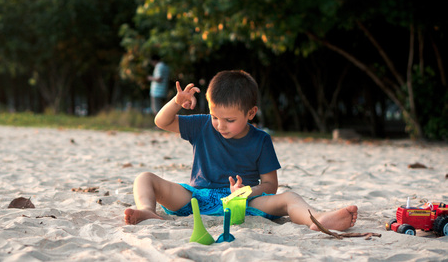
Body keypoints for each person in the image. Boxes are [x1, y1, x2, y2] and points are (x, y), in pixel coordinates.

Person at [124, 70, 357, 231]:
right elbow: (161, 122)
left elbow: (270, 185)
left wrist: (245, 192)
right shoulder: (202, 125)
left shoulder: (261, 140)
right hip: (197, 198)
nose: (220, 125)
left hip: (243, 203)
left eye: (229, 119)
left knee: (289, 197)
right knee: (145, 178)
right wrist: (177, 102)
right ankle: (147, 211)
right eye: (215, 116)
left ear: (251, 113)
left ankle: (317, 219)